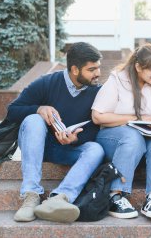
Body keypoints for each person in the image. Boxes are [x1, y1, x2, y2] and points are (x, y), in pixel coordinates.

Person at [8, 42, 105, 223]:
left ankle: (59, 198)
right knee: (33, 119)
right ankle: (31, 195)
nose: (98, 73)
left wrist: (74, 140)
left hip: (67, 149)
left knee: (96, 149)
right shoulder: (47, 82)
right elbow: (12, 111)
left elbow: (95, 127)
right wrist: (38, 108)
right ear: (75, 69)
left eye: (98, 68)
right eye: (92, 69)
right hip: (37, 145)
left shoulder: (98, 91)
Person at [91, 43, 151, 221]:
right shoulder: (117, 81)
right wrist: (134, 118)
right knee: (132, 137)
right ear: (138, 67)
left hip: (148, 138)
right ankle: (115, 196)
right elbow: (97, 116)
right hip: (114, 138)